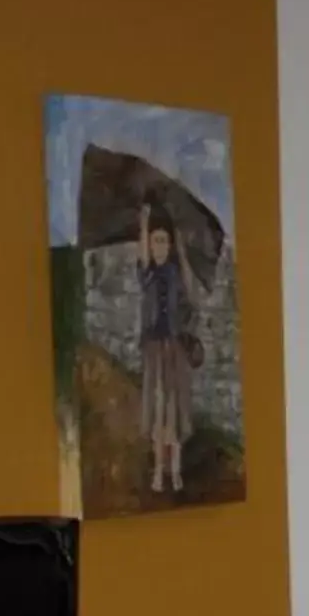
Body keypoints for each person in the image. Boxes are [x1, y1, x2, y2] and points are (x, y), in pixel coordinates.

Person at [136, 200, 196, 494]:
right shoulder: (147, 275)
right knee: (157, 407)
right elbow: (143, 257)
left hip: (174, 349)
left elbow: (188, 286)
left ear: (169, 246)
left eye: (163, 241)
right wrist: (144, 222)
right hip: (153, 349)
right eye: (155, 241)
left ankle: (176, 471)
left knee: (174, 407)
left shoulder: (174, 273)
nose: (159, 246)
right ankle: (158, 473)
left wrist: (181, 247)